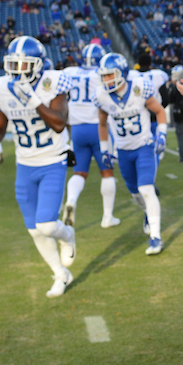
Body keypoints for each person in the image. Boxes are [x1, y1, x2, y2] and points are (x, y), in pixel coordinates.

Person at [0, 36, 77, 298]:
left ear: (38, 65)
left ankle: (68, 236)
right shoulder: (0, 87)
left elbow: (58, 123)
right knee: (34, 230)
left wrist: (32, 99)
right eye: (13, 64)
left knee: (46, 225)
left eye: (24, 65)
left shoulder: (53, 82)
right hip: (25, 164)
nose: (17, 71)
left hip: (52, 160)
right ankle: (60, 274)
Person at [94, 53, 168, 255]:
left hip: (144, 145)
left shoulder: (139, 87)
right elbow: (102, 124)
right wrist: (104, 150)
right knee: (136, 194)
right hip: (123, 151)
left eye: (111, 75)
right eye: (104, 76)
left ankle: (156, 237)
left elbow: (160, 112)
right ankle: (147, 213)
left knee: (146, 188)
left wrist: (161, 134)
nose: (107, 80)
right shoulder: (101, 95)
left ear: (122, 73)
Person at [62, 43, 122, 228]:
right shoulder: (102, 74)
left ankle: (71, 200)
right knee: (107, 172)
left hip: (77, 130)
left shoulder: (69, 72)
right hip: (99, 127)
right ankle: (107, 217)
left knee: (79, 172)